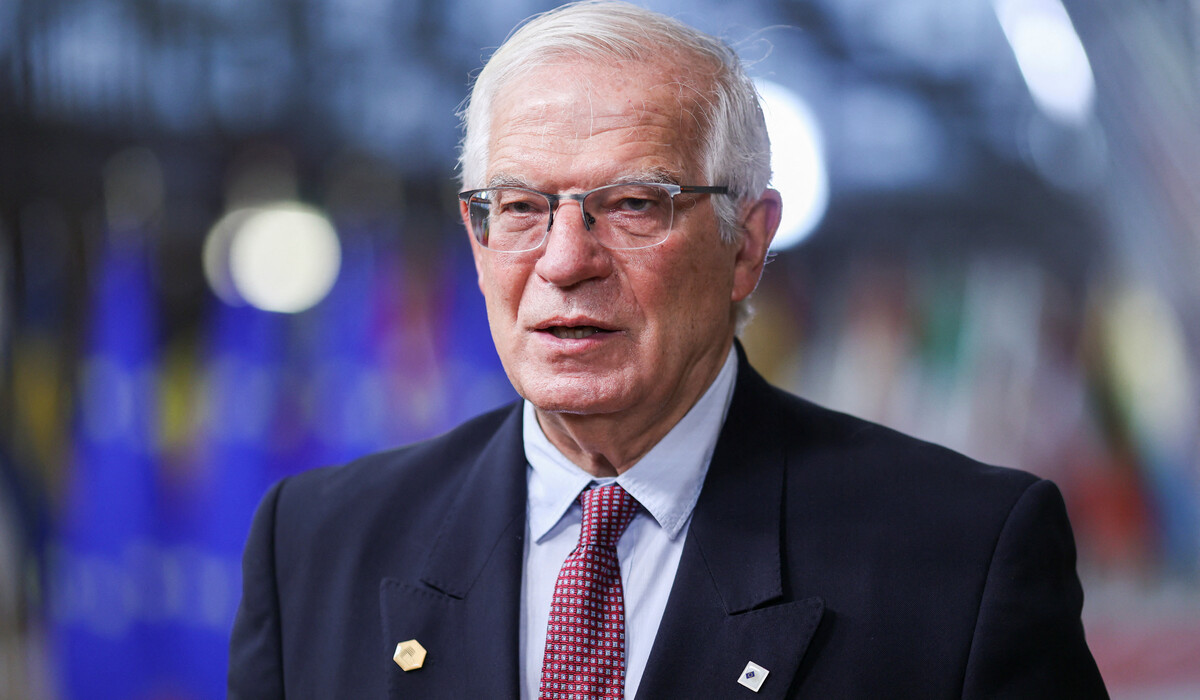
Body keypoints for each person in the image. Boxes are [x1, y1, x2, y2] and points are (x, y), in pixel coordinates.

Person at [228, 2, 1108, 697]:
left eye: (634, 205)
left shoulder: (962, 556)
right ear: (477, 235)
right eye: (522, 207)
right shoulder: (315, 546)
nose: (564, 261)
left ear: (746, 243)